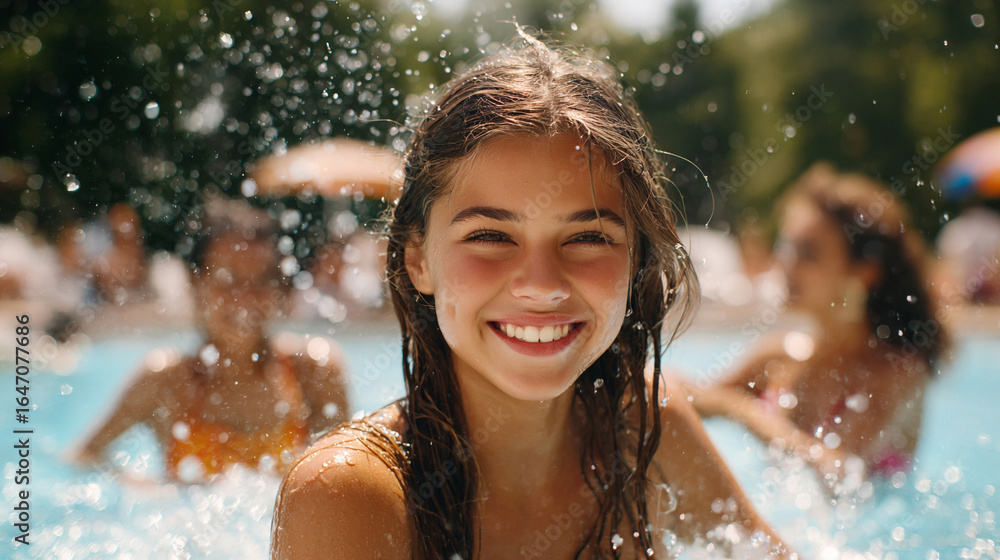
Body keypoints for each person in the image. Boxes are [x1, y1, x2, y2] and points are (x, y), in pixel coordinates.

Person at [271, 32, 793, 559]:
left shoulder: (645, 429)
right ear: (418, 260)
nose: (541, 284)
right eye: (491, 237)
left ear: (636, 259)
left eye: (587, 237)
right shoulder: (351, 494)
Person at [691, 163, 948, 485]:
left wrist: (743, 412)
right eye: (787, 246)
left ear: (864, 272)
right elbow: (686, 402)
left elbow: (839, 473)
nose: (788, 264)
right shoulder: (777, 357)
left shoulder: (898, 372)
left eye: (808, 253)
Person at [73, 198, 351, 483]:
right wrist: (143, 488)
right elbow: (81, 458)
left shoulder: (314, 372)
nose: (245, 297)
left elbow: (340, 482)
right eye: (227, 278)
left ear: (280, 287)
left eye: (262, 279)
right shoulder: (165, 380)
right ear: (196, 284)